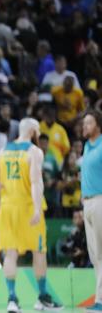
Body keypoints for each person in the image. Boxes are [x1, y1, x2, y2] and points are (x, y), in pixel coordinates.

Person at [0, 118, 63, 312]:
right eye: (38, 131)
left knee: (10, 254)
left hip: (7, 208)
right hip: (28, 206)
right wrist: (36, 209)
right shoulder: (35, 152)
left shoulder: (2, 152)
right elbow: (36, 183)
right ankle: (42, 297)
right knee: (39, 252)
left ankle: (12, 299)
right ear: (33, 131)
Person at [81, 110, 102, 312]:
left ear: (98, 125)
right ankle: (100, 298)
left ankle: (101, 301)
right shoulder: (87, 146)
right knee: (94, 255)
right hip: (87, 204)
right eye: (84, 123)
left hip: (100, 201)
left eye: (89, 122)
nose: (85, 126)